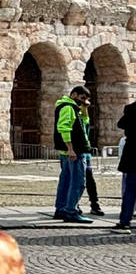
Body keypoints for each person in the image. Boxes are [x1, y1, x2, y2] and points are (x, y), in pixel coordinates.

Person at [53, 84, 92, 223]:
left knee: (66, 181)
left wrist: (84, 109)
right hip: (74, 151)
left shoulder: (72, 107)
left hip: (71, 151)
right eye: (82, 98)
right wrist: (71, 148)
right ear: (74, 94)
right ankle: (71, 211)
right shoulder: (68, 108)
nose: (83, 101)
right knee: (78, 182)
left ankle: (61, 208)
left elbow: (84, 124)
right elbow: (64, 128)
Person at [116, 99, 136, 230]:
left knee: (130, 190)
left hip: (133, 154)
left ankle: (124, 220)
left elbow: (120, 124)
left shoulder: (130, 108)